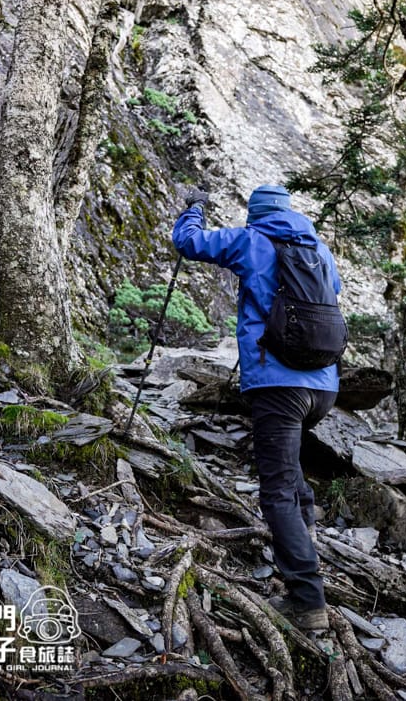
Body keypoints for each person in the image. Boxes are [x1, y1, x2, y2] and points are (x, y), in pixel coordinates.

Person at [172, 184, 341, 632]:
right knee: (290, 474)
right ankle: (305, 547)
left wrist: (195, 208)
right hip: (323, 386)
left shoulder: (252, 241)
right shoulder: (320, 251)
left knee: (276, 491)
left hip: (278, 386)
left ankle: (307, 601)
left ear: (256, 213)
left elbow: (189, 242)